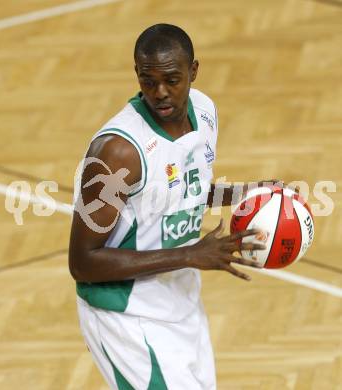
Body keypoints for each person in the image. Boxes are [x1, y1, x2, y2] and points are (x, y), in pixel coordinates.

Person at [69, 24, 267, 390]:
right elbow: (83, 262)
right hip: (126, 317)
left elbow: (180, 191)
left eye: (172, 80)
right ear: (137, 75)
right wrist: (191, 254)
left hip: (179, 300)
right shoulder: (118, 152)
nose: (160, 92)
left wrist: (248, 193)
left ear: (193, 71)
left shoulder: (204, 112)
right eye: (148, 80)